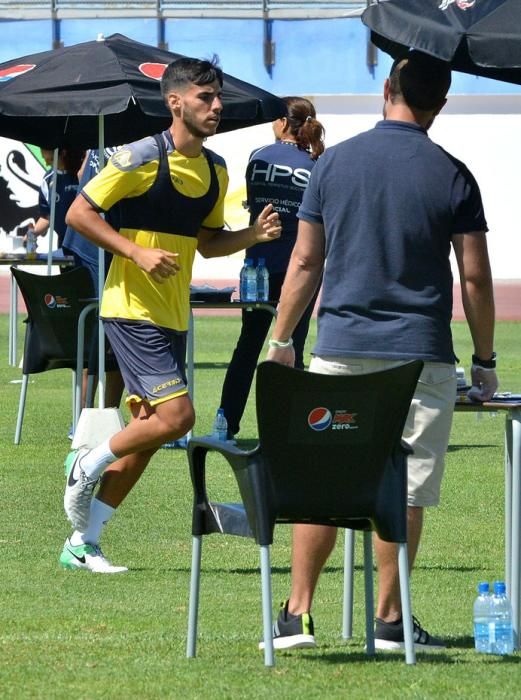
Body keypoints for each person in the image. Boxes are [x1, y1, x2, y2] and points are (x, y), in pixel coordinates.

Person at [264, 51, 498, 652]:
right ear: (440, 104)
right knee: (406, 486)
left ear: (387, 87)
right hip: (421, 354)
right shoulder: (454, 173)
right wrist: (486, 360)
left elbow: (305, 262)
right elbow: (474, 279)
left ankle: (297, 614)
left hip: (340, 347)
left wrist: (282, 339)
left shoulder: (334, 162)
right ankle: (390, 620)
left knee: (322, 477)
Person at [61, 56, 281, 574]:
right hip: (130, 308)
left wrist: (252, 235)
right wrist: (134, 253)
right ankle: (86, 464)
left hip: (173, 316)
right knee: (178, 418)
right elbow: (79, 213)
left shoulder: (215, 169)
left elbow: (206, 242)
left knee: (149, 433)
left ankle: (81, 542)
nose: (218, 106)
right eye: (206, 98)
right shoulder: (139, 156)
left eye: (219, 97)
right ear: (175, 102)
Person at [219, 97, 325, 439]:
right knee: (293, 345)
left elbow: (255, 203)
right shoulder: (317, 163)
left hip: (258, 267)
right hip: (300, 270)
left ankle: (225, 423)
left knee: (248, 346)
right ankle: (291, 429)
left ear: (281, 122)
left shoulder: (258, 156)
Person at [62, 148, 124, 417]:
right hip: (99, 240)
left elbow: (80, 173)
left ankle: (92, 416)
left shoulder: (111, 126)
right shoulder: (138, 140)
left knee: (102, 334)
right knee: (113, 332)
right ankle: (92, 417)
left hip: (85, 239)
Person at [29, 147, 84, 254]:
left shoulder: (83, 173)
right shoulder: (48, 179)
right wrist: (32, 234)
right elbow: (47, 217)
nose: (46, 163)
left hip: (87, 243)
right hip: (64, 244)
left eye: (50, 160)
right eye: (44, 159)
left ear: (63, 153)